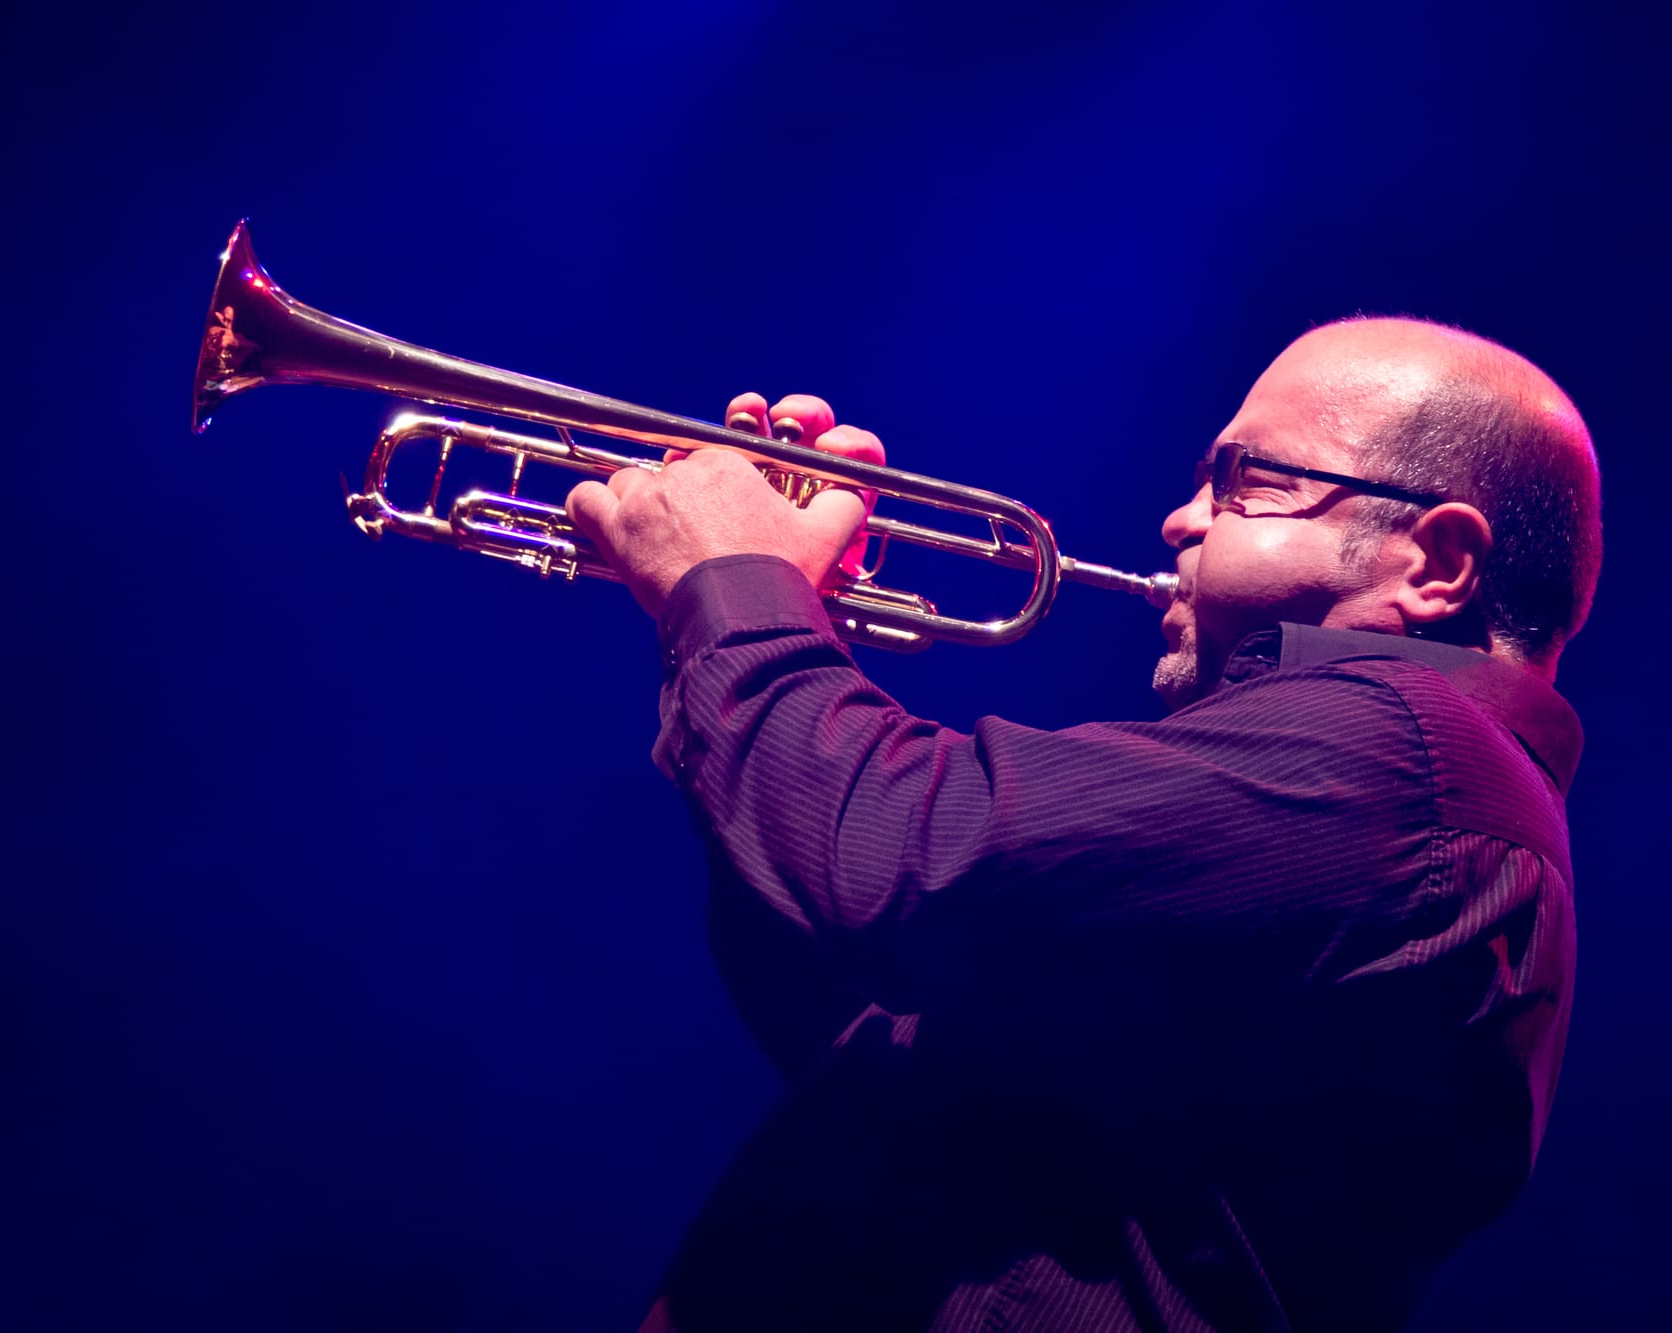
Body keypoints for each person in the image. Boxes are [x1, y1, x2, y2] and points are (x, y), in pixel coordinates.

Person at [566, 316, 1602, 1332]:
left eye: (1246, 482)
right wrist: (761, 640)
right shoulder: (1394, 787)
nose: (1181, 518)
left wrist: (738, 585)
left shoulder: (1407, 758)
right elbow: (870, 1017)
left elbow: (894, 855)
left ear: (1434, 564)